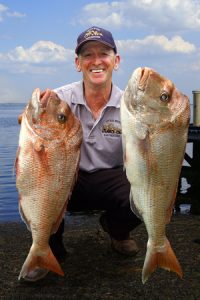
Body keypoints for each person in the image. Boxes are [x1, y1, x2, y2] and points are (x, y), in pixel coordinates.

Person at [23, 26, 141, 282]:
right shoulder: (59, 99)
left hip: (107, 178)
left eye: (104, 54)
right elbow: (31, 124)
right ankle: (46, 251)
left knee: (144, 195)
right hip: (65, 177)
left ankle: (117, 231)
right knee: (43, 189)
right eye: (88, 55)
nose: (96, 61)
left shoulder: (130, 106)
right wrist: (29, 116)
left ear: (116, 61)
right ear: (78, 63)